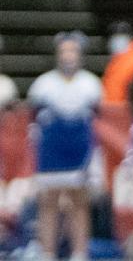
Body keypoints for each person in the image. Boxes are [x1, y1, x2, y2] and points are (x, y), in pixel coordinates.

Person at [27, 32, 102, 261]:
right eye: (64, 51)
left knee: (79, 202)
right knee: (49, 202)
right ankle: (47, 252)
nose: (68, 56)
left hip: (79, 149)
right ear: (58, 54)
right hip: (52, 150)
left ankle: (79, 252)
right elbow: (34, 119)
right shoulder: (43, 84)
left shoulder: (91, 83)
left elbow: (96, 120)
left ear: (80, 55)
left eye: (73, 51)